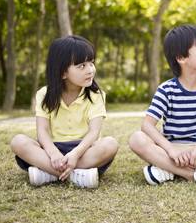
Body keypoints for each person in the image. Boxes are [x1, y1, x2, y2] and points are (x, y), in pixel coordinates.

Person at [129, 24, 196, 186]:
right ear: (181, 58)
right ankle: (193, 174)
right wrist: (171, 150)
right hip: (172, 149)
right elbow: (147, 125)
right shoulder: (166, 89)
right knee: (136, 139)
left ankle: (166, 169)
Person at [10, 35, 119, 188]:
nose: (90, 70)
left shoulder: (96, 95)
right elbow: (42, 131)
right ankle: (77, 176)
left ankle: (49, 173)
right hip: (52, 150)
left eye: (91, 63)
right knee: (18, 141)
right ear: (62, 72)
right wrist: (53, 153)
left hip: (84, 150)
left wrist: (75, 154)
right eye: (82, 66)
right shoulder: (44, 94)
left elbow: (94, 133)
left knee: (110, 144)